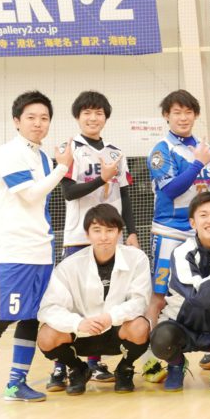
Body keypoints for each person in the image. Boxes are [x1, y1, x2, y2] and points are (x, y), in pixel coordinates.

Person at [0, 91, 74, 413]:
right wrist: (62, 168)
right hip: (13, 252)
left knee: (30, 319)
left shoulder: (42, 157)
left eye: (44, 118)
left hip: (40, 252)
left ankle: (16, 384)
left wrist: (56, 166)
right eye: (31, 117)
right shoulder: (9, 153)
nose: (38, 123)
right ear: (16, 121)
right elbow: (30, 195)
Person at [50, 89, 138, 389]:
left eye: (98, 113)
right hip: (78, 237)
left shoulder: (116, 152)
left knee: (103, 300)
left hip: (110, 239)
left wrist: (131, 232)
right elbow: (68, 192)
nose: (93, 118)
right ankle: (61, 366)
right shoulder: (69, 149)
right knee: (71, 302)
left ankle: (94, 362)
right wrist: (102, 178)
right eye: (86, 112)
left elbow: (125, 196)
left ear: (106, 118)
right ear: (77, 117)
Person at [145, 89, 210, 383]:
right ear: (166, 116)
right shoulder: (161, 149)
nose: (183, 117)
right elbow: (170, 190)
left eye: (188, 112)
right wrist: (197, 164)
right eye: (176, 112)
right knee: (160, 294)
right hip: (170, 231)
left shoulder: (206, 148)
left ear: (196, 115)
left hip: (202, 232)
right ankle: (153, 360)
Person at [36, 204, 152, 394]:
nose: (104, 237)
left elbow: (140, 301)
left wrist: (110, 317)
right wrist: (78, 323)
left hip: (116, 331)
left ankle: (125, 368)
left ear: (119, 233)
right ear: (87, 234)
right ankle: (78, 369)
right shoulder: (69, 266)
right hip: (81, 333)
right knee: (46, 336)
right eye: (97, 230)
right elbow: (49, 308)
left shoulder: (137, 258)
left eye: (110, 230)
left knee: (140, 326)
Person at [150, 192, 210, 392]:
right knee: (161, 340)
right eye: (204, 215)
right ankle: (176, 365)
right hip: (184, 327)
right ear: (193, 223)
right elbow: (202, 298)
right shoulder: (182, 252)